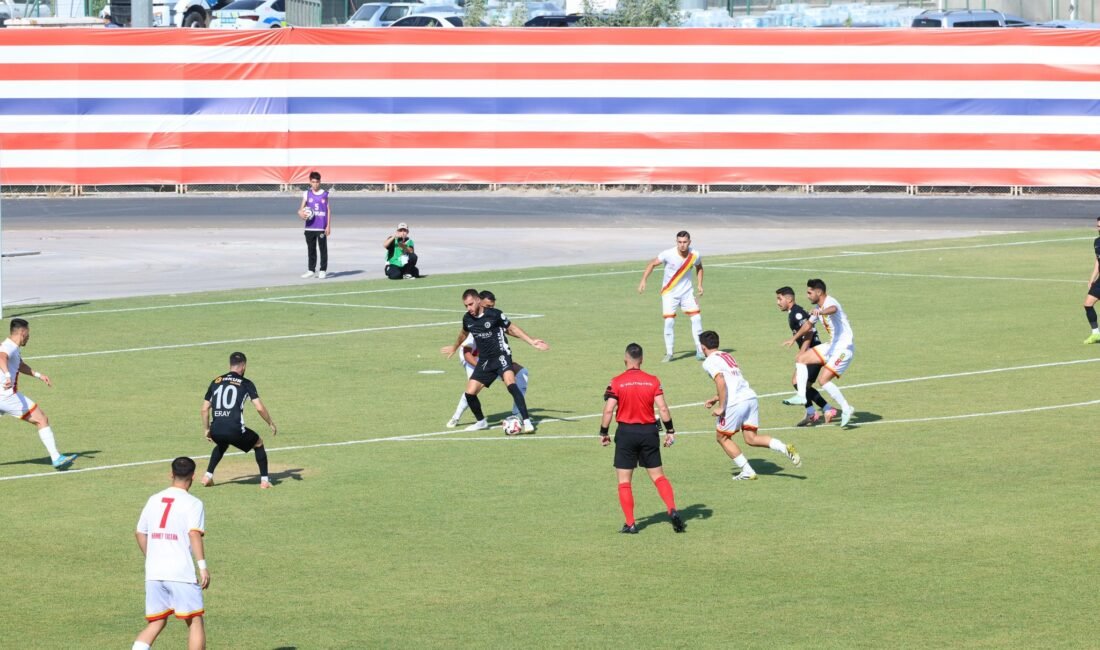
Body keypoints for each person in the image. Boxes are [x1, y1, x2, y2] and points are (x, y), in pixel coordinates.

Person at [599, 342, 685, 534]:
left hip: (626, 433)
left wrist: (604, 433)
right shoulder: (653, 380)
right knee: (658, 476)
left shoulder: (617, 381)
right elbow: (662, 408)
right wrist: (670, 431)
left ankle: (630, 523)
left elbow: (608, 410)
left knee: (624, 481)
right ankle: (672, 509)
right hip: (649, 433)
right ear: (642, 360)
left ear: (625, 358)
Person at [441, 289, 549, 433]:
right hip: (485, 361)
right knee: (470, 393)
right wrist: (454, 347)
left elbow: (512, 329)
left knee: (511, 384)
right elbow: (463, 333)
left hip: (501, 356)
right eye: (466, 306)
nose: (469, 308)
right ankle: (481, 422)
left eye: (471, 304)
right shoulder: (467, 319)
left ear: (478, 300)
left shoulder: (495, 314)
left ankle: (527, 422)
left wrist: (531, 341)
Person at [700, 330, 802, 481]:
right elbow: (732, 381)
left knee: (722, 437)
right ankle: (784, 448)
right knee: (751, 438)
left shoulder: (708, 361)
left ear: (702, 347)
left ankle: (748, 471)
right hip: (750, 397)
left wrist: (721, 406)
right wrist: (716, 398)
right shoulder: (727, 355)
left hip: (735, 402)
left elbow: (720, 380)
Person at [133, 456, 209, 650]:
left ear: (171, 474)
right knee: (195, 621)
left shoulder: (154, 499)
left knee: (157, 622)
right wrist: (202, 567)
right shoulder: (193, 503)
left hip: (154, 572)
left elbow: (140, 532)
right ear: (193, 476)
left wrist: (152, 558)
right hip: (180, 572)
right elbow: (194, 533)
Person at [0, 318, 77, 470]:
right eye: (28, 333)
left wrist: (38, 375)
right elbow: (1, 358)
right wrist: (8, 376)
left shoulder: (10, 345)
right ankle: (56, 458)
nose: (29, 336)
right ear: (22, 332)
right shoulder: (9, 347)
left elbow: (19, 365)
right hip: (7, 396)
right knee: (41, 419)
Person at [782, 279, 856, 427]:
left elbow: (833, 309)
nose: (807, 295)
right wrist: (793, 339)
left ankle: (846, 408)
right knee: (801, 358)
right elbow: (808, 325)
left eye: (809, 292)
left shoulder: (829, 302)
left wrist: (821, 311)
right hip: (831, 346)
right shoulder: (817, 307)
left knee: (823, 381)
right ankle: (802, 396)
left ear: (819, 292)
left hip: (844, 349)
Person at [200, 352, 278, 489]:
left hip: (216, 429)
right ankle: (265, 481)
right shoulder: (246, 383)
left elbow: (204, 409)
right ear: (243, 366)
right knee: (258, 443)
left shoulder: (216, 381)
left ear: (230, 365)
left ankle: (208, 476)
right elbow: (259, 408)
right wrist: (270, 422)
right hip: (235, 430)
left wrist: (207, 430)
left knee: (222, 443)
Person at [637, 230, 704, 362]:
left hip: (687, 293)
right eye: (679, 242)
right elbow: (652, 263)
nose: (682, 245)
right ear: (676, 242)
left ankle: (700, 350)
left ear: (689, 242)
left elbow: (699, 267)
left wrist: (700, 284)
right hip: (669, 293)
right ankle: (669, 353)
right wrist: (643, 280)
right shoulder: (668, 254)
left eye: (685, 242)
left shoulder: (695, 255)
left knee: (696, 319)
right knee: (669, 322)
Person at [775, 287, 835, 426]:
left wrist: (802, 352)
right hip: (813, 353)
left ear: (789, 299)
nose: (778, 302)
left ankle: (820, 410)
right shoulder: (793, 313)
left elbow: (810, 332)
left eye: (780, 299)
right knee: (804, 385)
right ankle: (816, 411)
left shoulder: (797, 313)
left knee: (797, 382)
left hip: (814, 353)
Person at [297, 171, 331, 280]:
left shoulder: (324, 194)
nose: (315, 184)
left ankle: (322, 270)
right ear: (310, 182)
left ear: (320, 182)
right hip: (309, 227)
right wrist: (301, 213)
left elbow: (328, 210)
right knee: (311, 249)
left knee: (323, 249)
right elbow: (301, 209)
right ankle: (311, 270)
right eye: (313, 182)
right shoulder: (306, 194)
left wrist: (328, 226)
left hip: (321, 227)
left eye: (317, 182)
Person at [1084, 216, 1100, 344]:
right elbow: (1097, 261)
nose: (1098, 228)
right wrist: (1092, 279)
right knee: (1088, 304)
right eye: (1098, 226)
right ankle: (1096, 334)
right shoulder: (1097, 242)